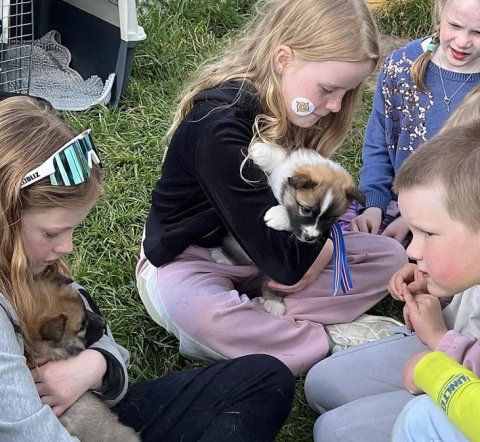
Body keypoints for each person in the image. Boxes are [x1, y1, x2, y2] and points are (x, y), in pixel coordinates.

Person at [0, 95, 295, 442]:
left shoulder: (33, 262)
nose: (66, 247)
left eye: (72, 230)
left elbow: (101, 337)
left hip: (85, 425)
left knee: (263, 377)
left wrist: (96, 365)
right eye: (53, 232)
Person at [136, 0, 407, 377]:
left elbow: (296, 242)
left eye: (347, 92)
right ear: (283, 58)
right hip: (196, 257)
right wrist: (320, 254)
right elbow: (288, 264)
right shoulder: (219, 127)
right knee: (203, 315)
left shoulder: (297, 107)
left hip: (270, 254)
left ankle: (269, 322)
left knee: (390, 258)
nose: (335, 105)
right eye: (328, 89)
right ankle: (322, 339)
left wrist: (322, 249)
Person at [303, 88, 480, 442]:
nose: (413, 251)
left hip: (461, 389)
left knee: (336, 436)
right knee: (322, 385)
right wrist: (439, 286)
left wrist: (438, 347)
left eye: (428, 235)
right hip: (449, 352)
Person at [342, 0, 480, 245]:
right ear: (440, 9)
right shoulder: (401, 65)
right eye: (455, 25)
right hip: (394, 206)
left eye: (478, 32)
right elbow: (379, 145)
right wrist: (373, 204)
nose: (462, 41)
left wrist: (417, 219)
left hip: (461, 217)